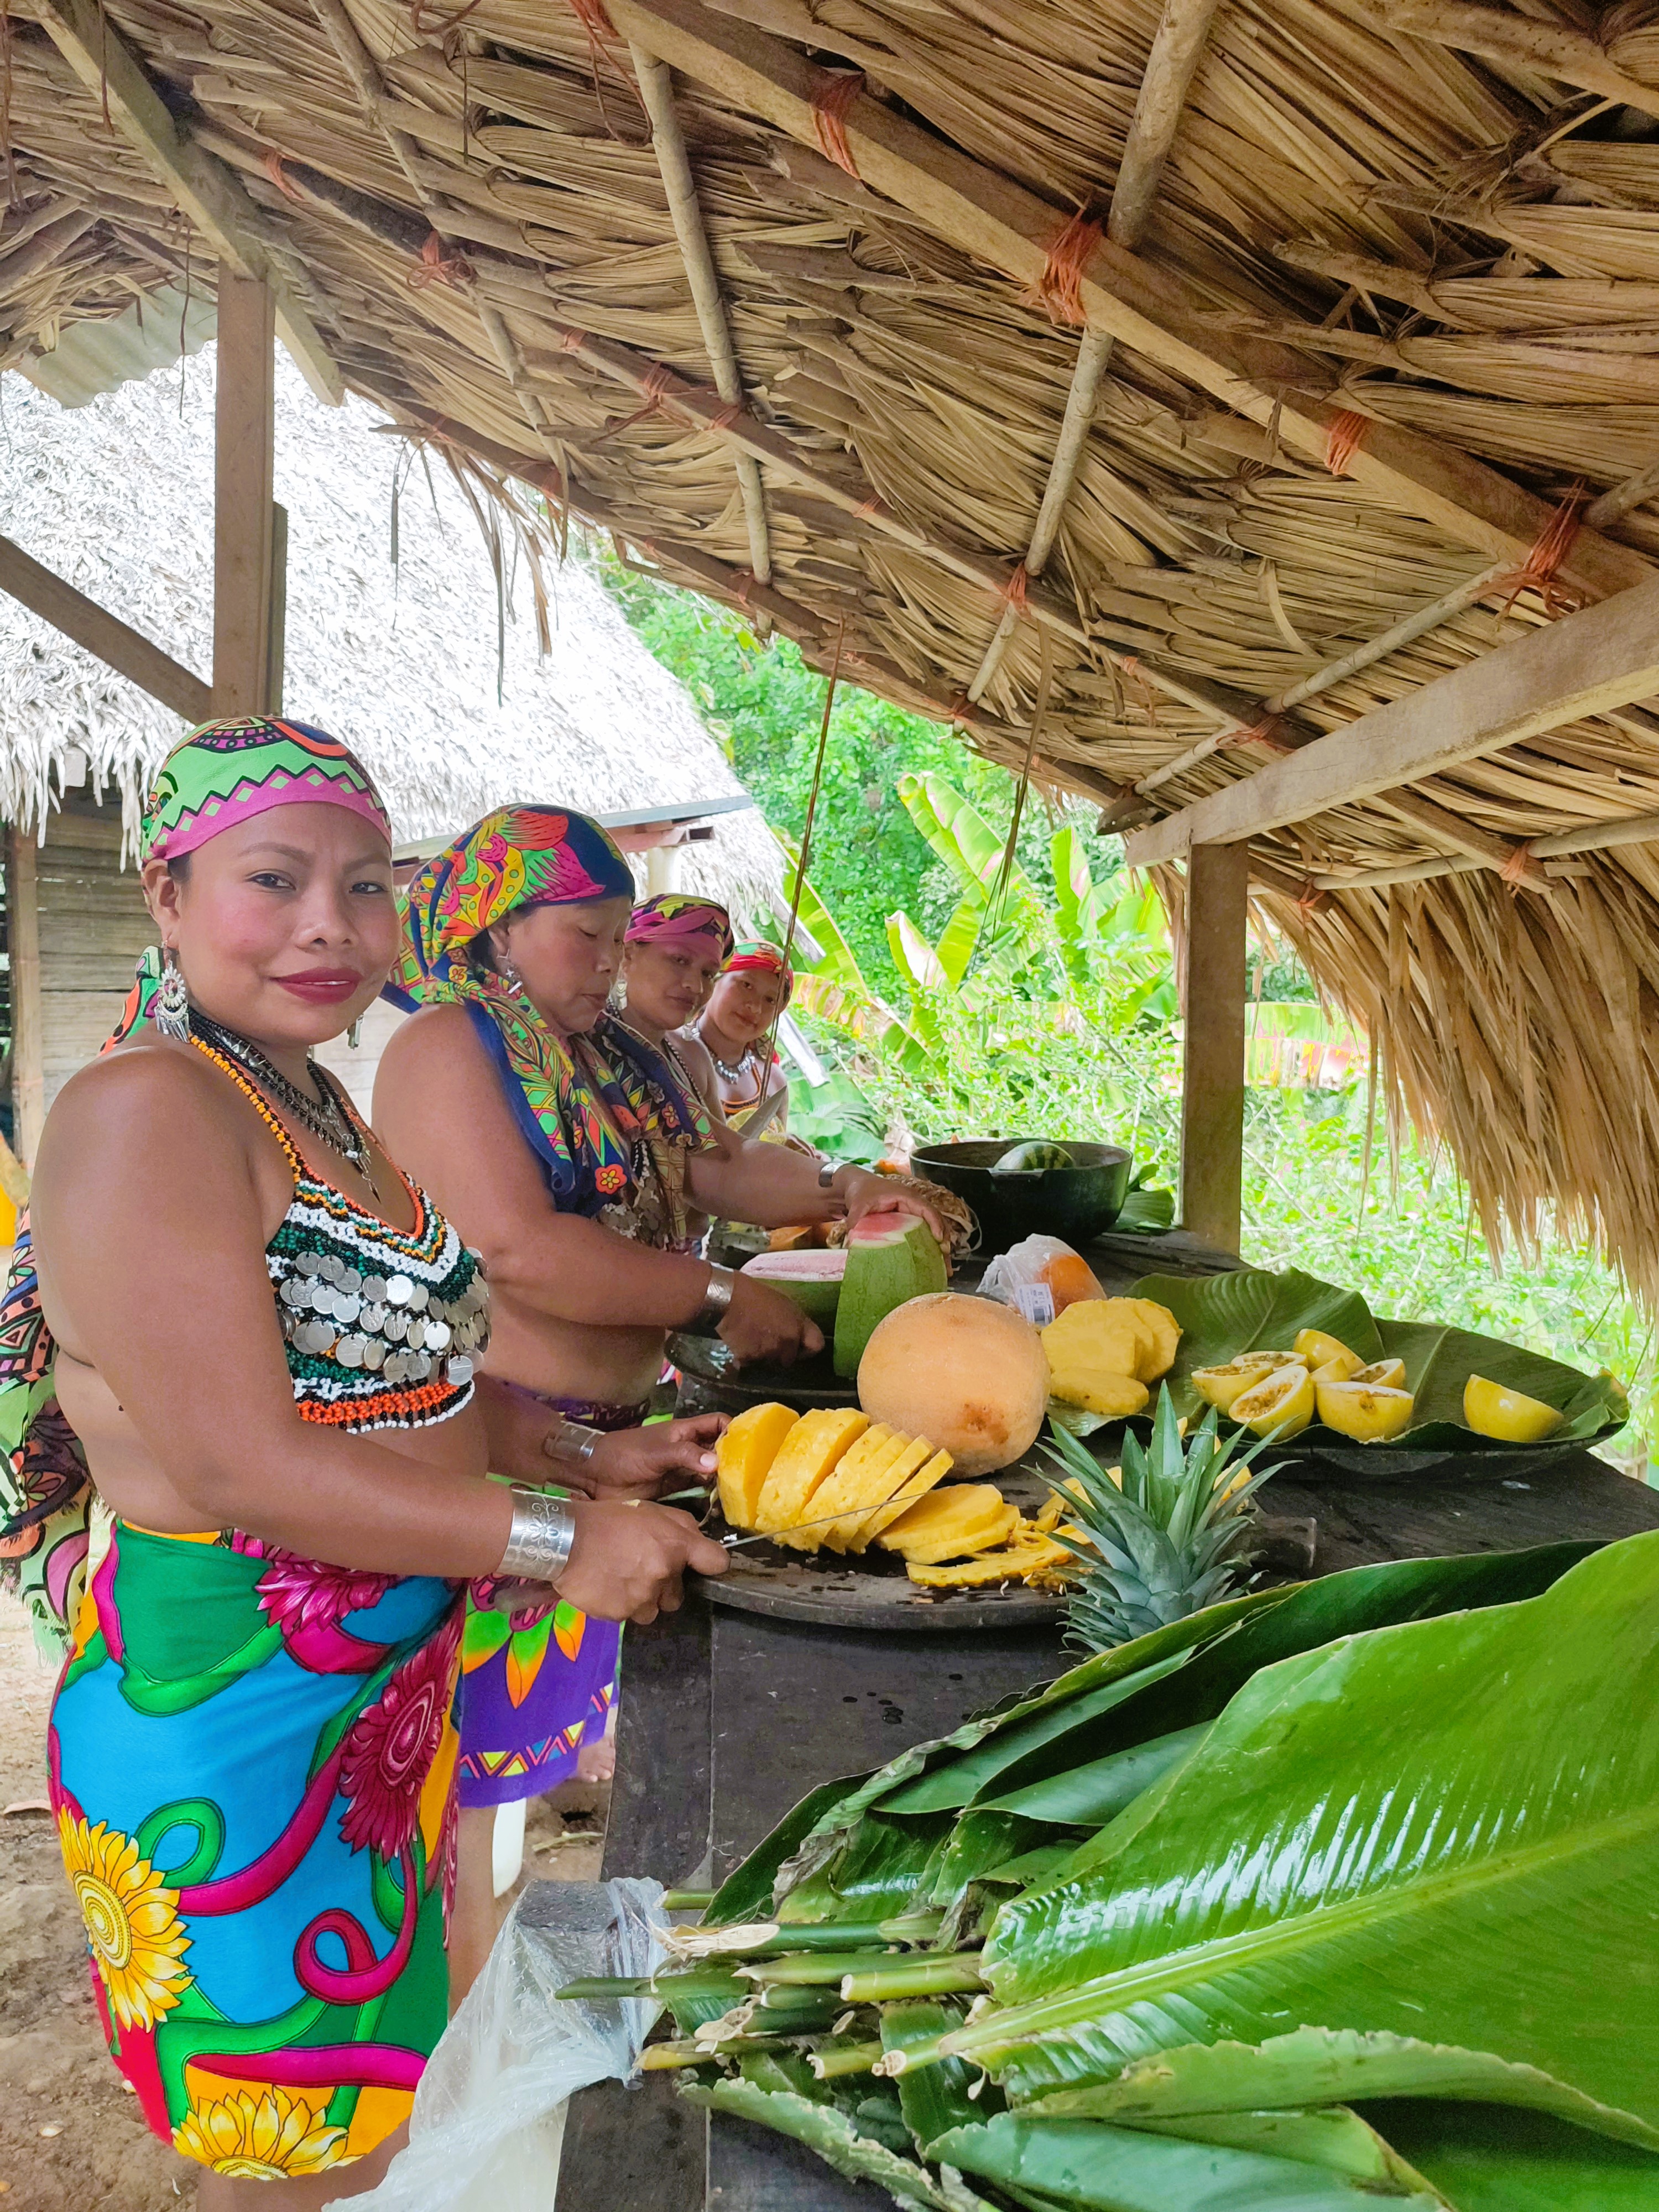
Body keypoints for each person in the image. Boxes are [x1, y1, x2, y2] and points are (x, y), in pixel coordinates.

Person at [11, 722, 724, 2208]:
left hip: (379, 1711)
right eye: (274, 881)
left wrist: (599, 1454)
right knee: (291, 2147)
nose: (329, 926)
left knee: (384, 2112)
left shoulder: (316, 1101)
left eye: (365, 887)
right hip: (236, 1727)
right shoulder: (151, 1111)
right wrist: (555, 1537)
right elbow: (241, 1464)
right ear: (169, 894)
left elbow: (421, 1380)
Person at [373, 810, 950, 1987]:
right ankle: (463, 2018)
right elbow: (517, 1248)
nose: (605, 958)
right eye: (584, 935)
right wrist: (714, 1291)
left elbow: (724, 1170)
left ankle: (506, 1991)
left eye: (609, 934)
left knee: (519, 1769)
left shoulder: (630, 1057)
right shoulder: (449, 1048)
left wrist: (851, 1187)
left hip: (597, 1446)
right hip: (493, 1440)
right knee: (461, 1787)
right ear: (501, 926)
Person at [617, 891, 733, 1130]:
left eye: (708, 974)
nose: (696, 986)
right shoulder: (584, 1045)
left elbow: (725, 1154)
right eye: (679, 960)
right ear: (627, 956)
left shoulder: (693, 1057)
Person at [696, 939, 793, 1128]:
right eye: (746, 985)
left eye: (770, 1000)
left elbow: (775, 1147)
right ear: (716, 980)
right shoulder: (673, 1050)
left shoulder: (774, 1081)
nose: (755, 1007)